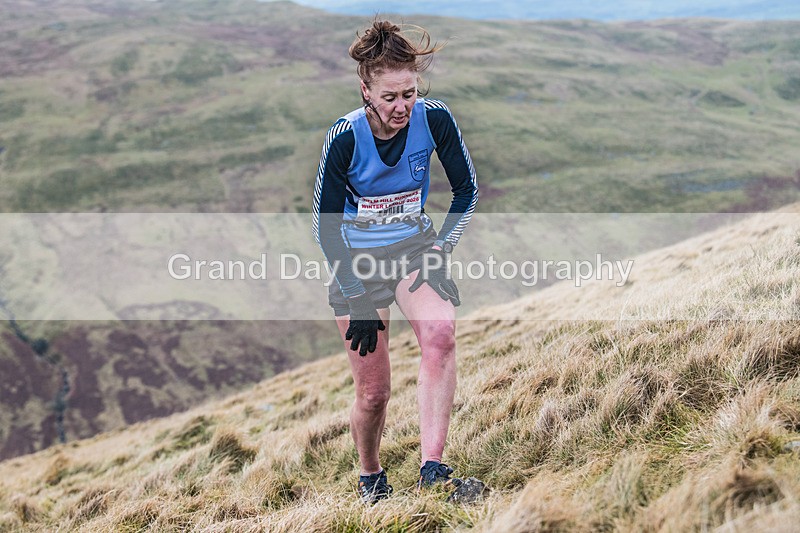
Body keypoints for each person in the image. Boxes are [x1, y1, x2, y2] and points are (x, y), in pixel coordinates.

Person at [312, 19, 478, 504]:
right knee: (374, 393)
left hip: (412, 251)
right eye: (389, 97)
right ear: (365, 90)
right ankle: (370, 476)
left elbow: (467, 192)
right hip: (356, 265)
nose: (402, 106)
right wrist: (357, 296)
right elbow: (325, 226)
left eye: (409, 93)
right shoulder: (343, 137)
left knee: (441, 335)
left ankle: (433, 468)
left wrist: (439, 251)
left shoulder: (436, 119)